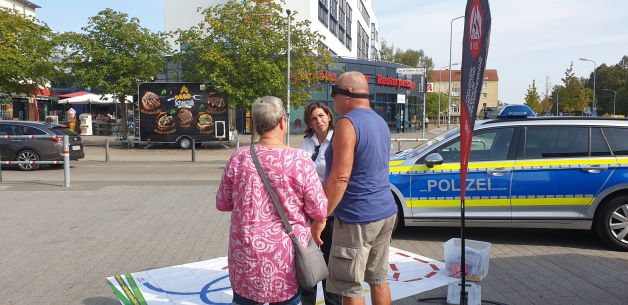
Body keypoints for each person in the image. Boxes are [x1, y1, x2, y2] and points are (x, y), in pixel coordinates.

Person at [216, 96, 328, 305]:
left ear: (257, 125)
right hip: (286, 258)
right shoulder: (300, 160)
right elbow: (319, 209)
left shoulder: (239, 157)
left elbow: (222, 203)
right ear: (283, 122)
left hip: (245, 254)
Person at [321, 71, 398, 305]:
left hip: (358, 218)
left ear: (348, 94)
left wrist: (321, 216)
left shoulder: (347, 123)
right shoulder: (379, 121)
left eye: (334, 93)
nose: (332, 100)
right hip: (385, 212)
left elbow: (340, 178)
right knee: (378, 279)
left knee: (350, 287)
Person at [300, 103, 341, 305]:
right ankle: (307, 300)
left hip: (331, 209)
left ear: (329, 116)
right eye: (314, 118)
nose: (319, 121)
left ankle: (332, 300)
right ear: (309, 122)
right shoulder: (307, 142)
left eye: (322, 116)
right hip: (309, 209)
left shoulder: (339, 139)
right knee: (308, 259)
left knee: (329, 259)